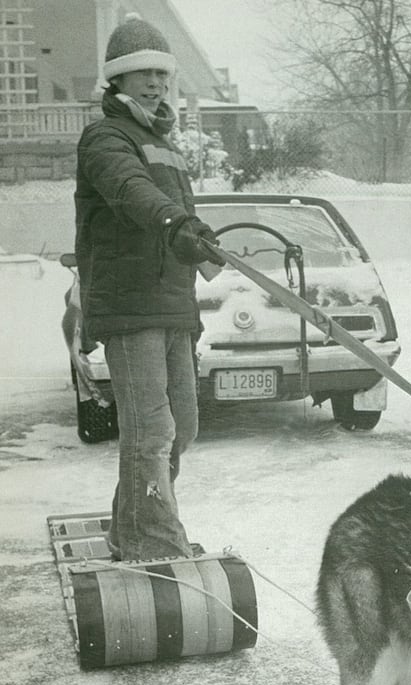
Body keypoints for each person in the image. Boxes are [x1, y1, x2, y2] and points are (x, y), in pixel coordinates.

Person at [74, 13, 222, 562]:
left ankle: (129, 524)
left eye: (163, 72)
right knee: (150, 432)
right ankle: (150, 542)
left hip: (171, 307)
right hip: (130, 306)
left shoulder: (167, 143)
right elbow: (133, 192)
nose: (156, 82)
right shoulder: (104, 138)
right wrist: (176, 224)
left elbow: (178, 217)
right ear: (117, 80)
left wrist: (196, 241)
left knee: (180, 427)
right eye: (144, 73)